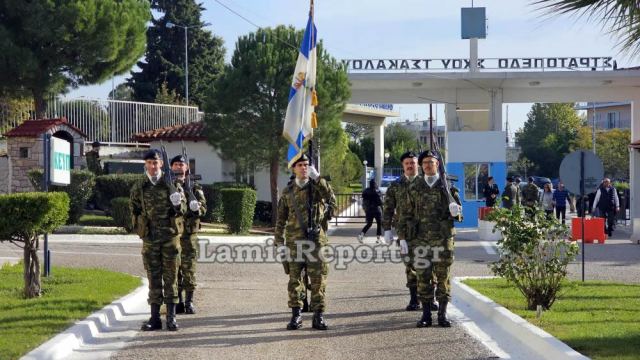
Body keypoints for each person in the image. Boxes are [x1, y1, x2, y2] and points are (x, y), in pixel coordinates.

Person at [275, 154, 336, 331]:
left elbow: (332, 200)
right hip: (294, 243)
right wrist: (278, 242)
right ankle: (296, 316)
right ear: (293, 168)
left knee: (318, 280)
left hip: (316, 242)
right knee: (295, 280)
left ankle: (318, 316)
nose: (304, 168)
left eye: (306, 165)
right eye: (300, 165)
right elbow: (281, 219)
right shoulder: (288, 192)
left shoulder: (317, 187)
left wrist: (318, 178)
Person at [403, 150, 462, 328]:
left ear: (438, 164)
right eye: (425, 162)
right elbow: (406, 215)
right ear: (421, 166)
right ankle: (426, 315)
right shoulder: (414, 187)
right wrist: (402, 238)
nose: (428, 165)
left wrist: (456, 211)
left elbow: (459, 214)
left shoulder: (448, 187)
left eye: (432, 162)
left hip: (443, 240)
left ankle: (442, 315)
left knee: (443, 277)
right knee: (423, 278)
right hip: (420, 240)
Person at [130, 149, 186, 331]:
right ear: (145, 165)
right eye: (149, 163)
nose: (153, 166)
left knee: (171, 279)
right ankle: (155, 319)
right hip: (151, 238)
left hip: (170, 237)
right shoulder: (139, 186)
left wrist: (178, 204)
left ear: (161, 164)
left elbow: (184, 210)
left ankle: (171, 318)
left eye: (156, 163)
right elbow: (135, 210)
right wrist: (141, 228)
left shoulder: (172, 184)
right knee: (153, 279)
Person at [382, 151, 437, 312]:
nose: (410, 166)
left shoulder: (427, 182)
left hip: (426, 231)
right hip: (406, 233)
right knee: (411, 265)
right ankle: (414, 298)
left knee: (429, 264)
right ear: (403, 166)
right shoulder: (396, 185)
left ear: (417, 165)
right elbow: (388, 209)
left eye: (413, 163)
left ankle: (430, 297)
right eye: (407, 163)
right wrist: (387, 230)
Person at [170, 155, 207, 315]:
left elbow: (204, 209)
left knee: (189, 269)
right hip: (172, 234)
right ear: (171, 167)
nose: (179, 167)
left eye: (181, 164)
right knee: (174, 269)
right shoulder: (167, 186)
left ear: (186, 168)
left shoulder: (194, 187)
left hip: (189, 236)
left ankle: (189, 301)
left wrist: (196, 208)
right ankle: (177, 301)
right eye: (176, 164)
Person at [358, 179, 383, 243]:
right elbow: (380, 202)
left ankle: (361, 235)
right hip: (376, 210)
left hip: (368, 210)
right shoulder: (376, 191)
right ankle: (378, 238)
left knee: (369, 224)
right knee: (379, 223)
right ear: (374, 184)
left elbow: (363, 198)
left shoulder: (366, 191)